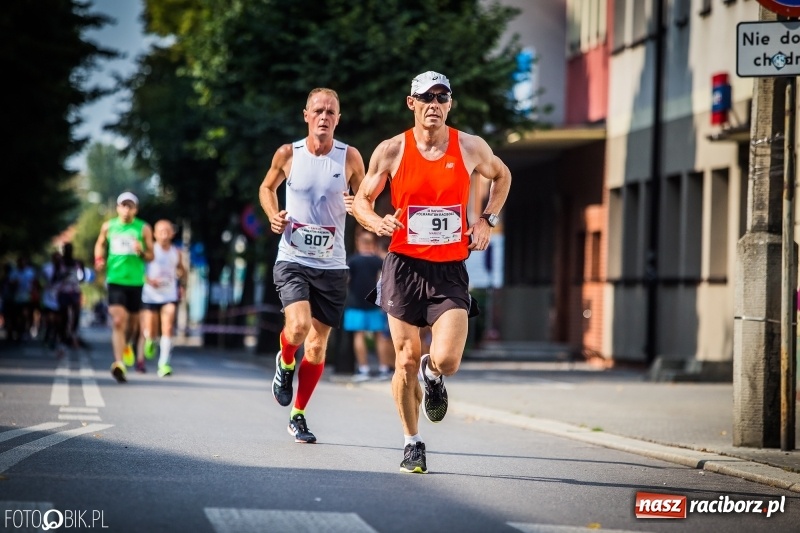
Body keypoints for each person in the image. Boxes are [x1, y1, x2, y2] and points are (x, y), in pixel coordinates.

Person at [352, 71, 512, 474]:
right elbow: (360, 201)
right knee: (404, 360)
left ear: (450, 104)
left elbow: (502, 175)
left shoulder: (470, 147)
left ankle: (433, 373)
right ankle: (412, 443)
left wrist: (486, 220)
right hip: (403, 267)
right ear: (412, 104)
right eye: (426, 98)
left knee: (448, 358)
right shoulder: (391, 151)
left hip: (449, 270)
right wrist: (375, 223)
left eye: (442, 98)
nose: (434, 105)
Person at [258, 87, 365, 443]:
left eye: (330, 112)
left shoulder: (349, 157)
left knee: (318, 348)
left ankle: (298, 415)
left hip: (332, 265)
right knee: (299, 326)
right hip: (293, 258)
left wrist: (358, 206)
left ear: (338, 118)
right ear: (306, 114)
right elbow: (266, 188)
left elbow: (365, 199)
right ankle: (285, 360)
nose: (324, 116)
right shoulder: (289, 153)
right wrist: (273, 215)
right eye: (318, 110)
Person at [94, 192, 154, 383]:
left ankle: (127, 345)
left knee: (133, 325)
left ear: (136, 209)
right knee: (119, 321)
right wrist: (99, 259)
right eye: (123, 205)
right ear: (118, 208)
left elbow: (151, 255)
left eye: (130, 206)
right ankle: (119, 363)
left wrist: (141, 252)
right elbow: (100, 244)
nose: (127, 210)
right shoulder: (109, 226)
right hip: (115, 280)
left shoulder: (143, 228)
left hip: (136, 282)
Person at [344, 229, 393, 382]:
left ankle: (363, 369)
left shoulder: (352, 260)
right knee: (380, 336)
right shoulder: (378, 261)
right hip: (375, 303)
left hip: (355, 303)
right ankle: (384, 368)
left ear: (359, 243)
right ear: (373, 244)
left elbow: (346, 280)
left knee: (359, 335)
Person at [139, 219, 186, 377]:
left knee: (168, 326)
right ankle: (150, 340)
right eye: (161, 232)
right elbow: (140, 271)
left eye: (167, 232)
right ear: (154, 234)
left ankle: (164, 364)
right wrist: (149, 280)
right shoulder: (150, 250)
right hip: (151, 295)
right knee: (151, 330)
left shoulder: (176, 252)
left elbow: (181, 270)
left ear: (172, 234)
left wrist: (182, 284)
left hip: (169, 295)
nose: (164, 235)